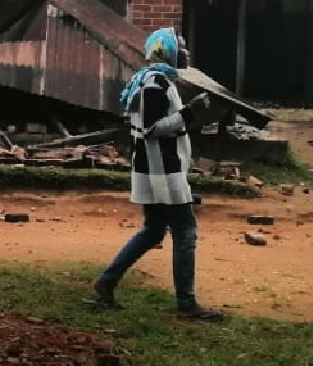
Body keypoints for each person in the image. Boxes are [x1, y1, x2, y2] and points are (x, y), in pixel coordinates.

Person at [87, 27, 227, 322]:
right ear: (167, 51)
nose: (186, 52)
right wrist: (191, 111)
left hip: (153, 168)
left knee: (153, 231)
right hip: (163, 170)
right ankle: (187, 304)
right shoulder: (156, 83)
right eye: (181, 47)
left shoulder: (153, 80)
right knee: (185, 232)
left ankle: (106, 282)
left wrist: (187, 116)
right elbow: (152, 129)